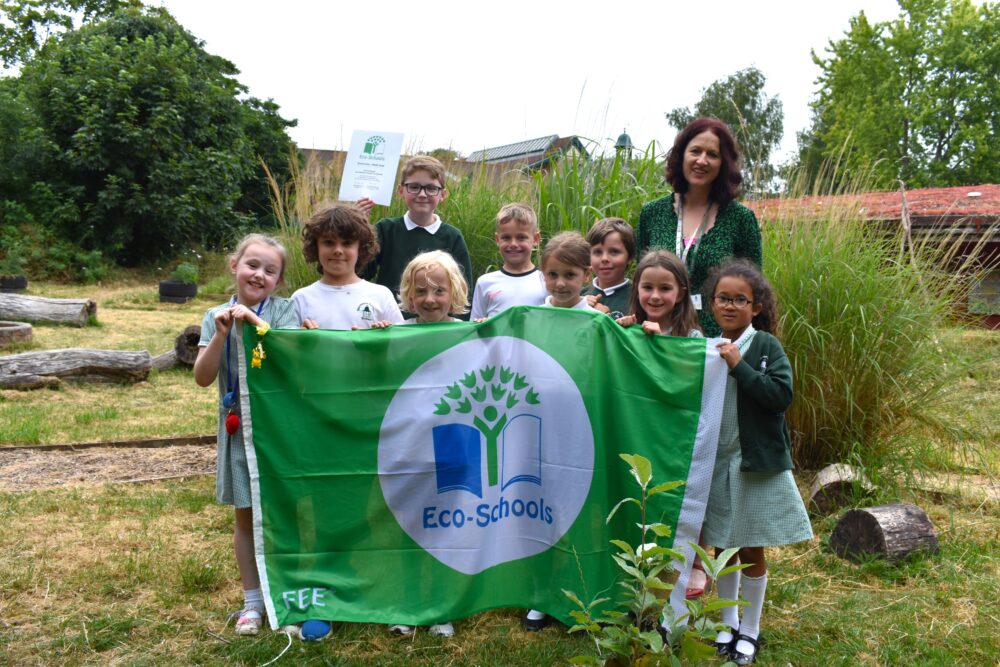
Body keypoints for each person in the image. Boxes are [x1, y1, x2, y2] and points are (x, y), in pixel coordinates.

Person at [701, 259, 812, 666]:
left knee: (749, 545)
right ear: (711, 303)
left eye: (740, 300)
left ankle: (751, 628)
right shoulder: (706, 345)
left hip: (752, 462)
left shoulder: (764, 347)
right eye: (722, 298)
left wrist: (738, 366)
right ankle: (726, 622)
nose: (730, 306)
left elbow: (779, 396)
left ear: (757, 306)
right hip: (717, 460)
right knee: (721, 543)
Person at [193, 233, 301, 637]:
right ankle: (252, 602)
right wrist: (221, 334)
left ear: (279, 280)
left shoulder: (286, 311)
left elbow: (289, 362)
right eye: (252, 265)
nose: (259, 275)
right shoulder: (214, 315)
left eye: (270, 271)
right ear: (234, 266)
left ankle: (290, 592)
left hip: (281, 428)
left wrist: (257, 324)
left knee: (286, 513)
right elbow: (204, 378)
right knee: (246, 514)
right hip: (238, 427)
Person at [382, 250, 470, 638]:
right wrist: (376, 339)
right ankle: (407, 603)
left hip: (452, 444)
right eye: (421, 291)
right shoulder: (398, 333)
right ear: (408, 295)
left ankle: (442, 607)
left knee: (446, 528)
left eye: (439, 290)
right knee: (409, 526)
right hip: (409, 445)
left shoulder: (468, 332)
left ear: (456, 293)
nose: (431, 298)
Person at [523, 231, 596, 631]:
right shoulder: (530, 317)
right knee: (540, 512)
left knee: (580, 511)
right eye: (552, 274)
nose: (561, 283)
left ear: (586, 274)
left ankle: (579, 589)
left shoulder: (597, 321)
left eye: (570, 274)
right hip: (536, 432)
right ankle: (541, 593)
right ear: (542, 275)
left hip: (580, 433)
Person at [636, 117, 762, 338]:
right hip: (659, 339)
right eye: (695, 151)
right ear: (681, 155)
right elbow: (641, 281)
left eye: (712, 154)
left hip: (718, 344)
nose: (702, 161)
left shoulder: (741, 219)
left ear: (724, 164)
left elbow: (754, 289)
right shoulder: (652, 214)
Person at [362, 155, 474, 309]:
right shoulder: (385, 229)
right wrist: (359, 230)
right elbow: (361, 274)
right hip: (390, 322)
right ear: (401, 191)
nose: (422, 194)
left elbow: (464, 289)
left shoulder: (452, 236)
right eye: (414, 187)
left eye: (431, 188)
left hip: (435, 324)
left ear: (442, 194)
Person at [292, 204, 404, 330]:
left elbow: (400, 343)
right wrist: (299, 337)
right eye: (329, 242)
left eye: (347, 243)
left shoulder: (381, 295)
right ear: (315, 246)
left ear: (360, 248)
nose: (338, 250)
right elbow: (287, 345)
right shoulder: (301, 298)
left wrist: (382, 337)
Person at [469, 203, 546, 320]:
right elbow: (475, 328)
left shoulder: (546, 282)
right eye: (506, 238)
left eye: (521, 237)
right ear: (497, 239)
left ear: (536, 239)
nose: (513, 244)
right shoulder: (484, 282)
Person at [616, 249, 700, 338]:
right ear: (637, 290)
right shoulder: (629, 331)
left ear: (680, 294)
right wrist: (616, 331)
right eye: (648, 287)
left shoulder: (692, 337)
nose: (655, 296)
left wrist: (659, 340)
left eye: (665, 288)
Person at [582, 217, 635, 319]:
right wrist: (580, 306)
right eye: (597, 252)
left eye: (614, 252)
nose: (604, 259)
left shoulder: (639, 296)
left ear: (630, 257)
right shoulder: (580, 296)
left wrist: (607, 318)